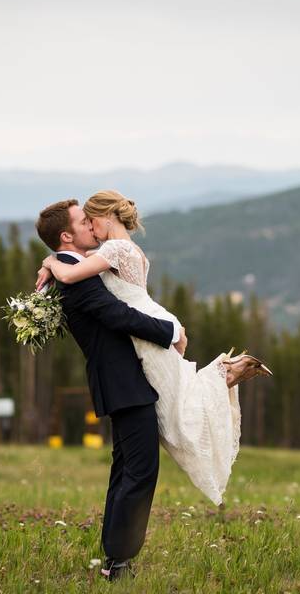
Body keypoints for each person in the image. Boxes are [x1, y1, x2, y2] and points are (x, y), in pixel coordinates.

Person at [36, 190, 271, 511]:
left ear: (105, 219)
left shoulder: (112, 249)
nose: (90, 227)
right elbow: (77, 274)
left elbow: (73, 272)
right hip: (150, 330)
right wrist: (52, 262)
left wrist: (50, 261)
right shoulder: (105, 251)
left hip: (151, 327)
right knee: (174, 402)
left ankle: (223, 374)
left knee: (175, 406)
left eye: (91, 221)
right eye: (84, 223)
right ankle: (223, 374)